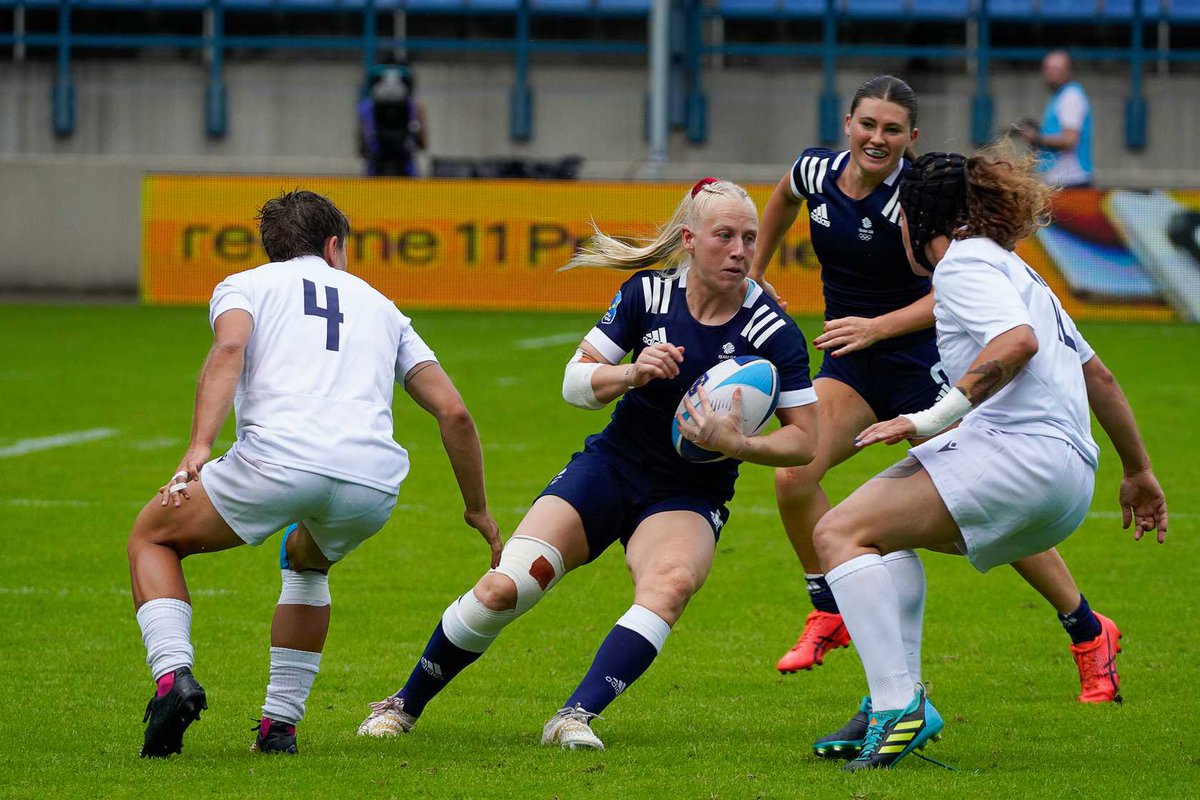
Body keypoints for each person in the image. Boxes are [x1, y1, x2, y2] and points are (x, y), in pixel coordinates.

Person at [355, 178, 819, 750]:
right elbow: (575, 382)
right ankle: (403, 703)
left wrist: (738, 443)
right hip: (612, 466)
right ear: (689, 240)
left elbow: (805, 442)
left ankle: (573, 717)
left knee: (668, 587)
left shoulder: (772, 329)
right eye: (725, 235)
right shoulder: (646, 294)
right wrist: (631, 372)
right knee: (508, 587)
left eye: (749, 238)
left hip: (690, 492)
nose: (741, 250)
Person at [750, 75, 1127, 719]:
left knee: (984, 503)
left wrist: (878, 326)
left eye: (893, 130)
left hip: (925, 364)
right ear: (848, 123)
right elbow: (782, 198)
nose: (878, 138)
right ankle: (829, 606)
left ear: (912, 138)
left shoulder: (922, 196)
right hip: (850, 364)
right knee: (794, 473)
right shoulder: (814, 173)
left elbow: (951, 291)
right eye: (868, 124)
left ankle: (1086, 628)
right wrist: (755, 278)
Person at [811, 148, 1167, 772]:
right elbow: (1101, 379)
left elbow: (1017, 344)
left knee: (837, 532)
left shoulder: (962, 266)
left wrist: (924, 419)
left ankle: (900, 709)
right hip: (1068, 481)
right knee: (879, 538)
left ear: (914, 219)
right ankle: (888, 701)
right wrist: (1137, 471)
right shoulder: (1014, 269)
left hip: (1021, 457)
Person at [127, 190, 500, 758]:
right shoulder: (382, 306)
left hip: (276, 463)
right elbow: (455, 413)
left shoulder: (246, 285)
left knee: (152, 538)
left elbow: (229, 349)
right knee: (305, 558)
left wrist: (199, 448)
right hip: (370, 483)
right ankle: (280, 726)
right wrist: (477, 508)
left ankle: (172, 677)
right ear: (334, 247)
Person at [1017, 50, 1093, 188]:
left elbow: (1069, 140)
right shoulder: (1059, 96)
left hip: (1071, 182)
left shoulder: (1071, 97)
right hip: (1062, 181)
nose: (1050, 73)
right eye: (1047, 68)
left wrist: (1036, 137)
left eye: (1056, 69)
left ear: (1068, 71)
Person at [358, 63, 428, 177]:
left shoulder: (365, 107)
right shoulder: (415, 107)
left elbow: (362, 142)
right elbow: (422, 142)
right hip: (386, 165)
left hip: (396, 165)